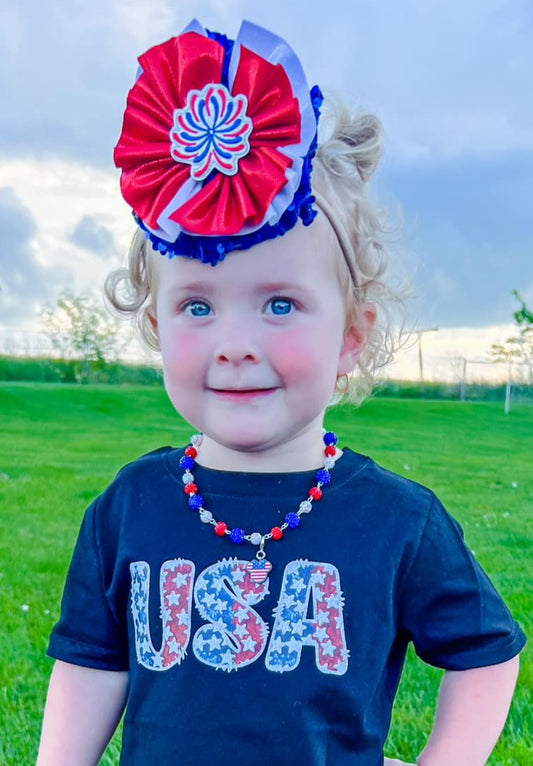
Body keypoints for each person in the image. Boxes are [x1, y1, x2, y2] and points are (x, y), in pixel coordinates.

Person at [38, 19, 525, 766]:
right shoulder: (128, 506)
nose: (234, 342)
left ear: (351, 334)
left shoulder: (398, 520)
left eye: (279, 304)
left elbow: (485, 654)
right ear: (157, 325)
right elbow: (91, 665)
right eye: (197, 306)